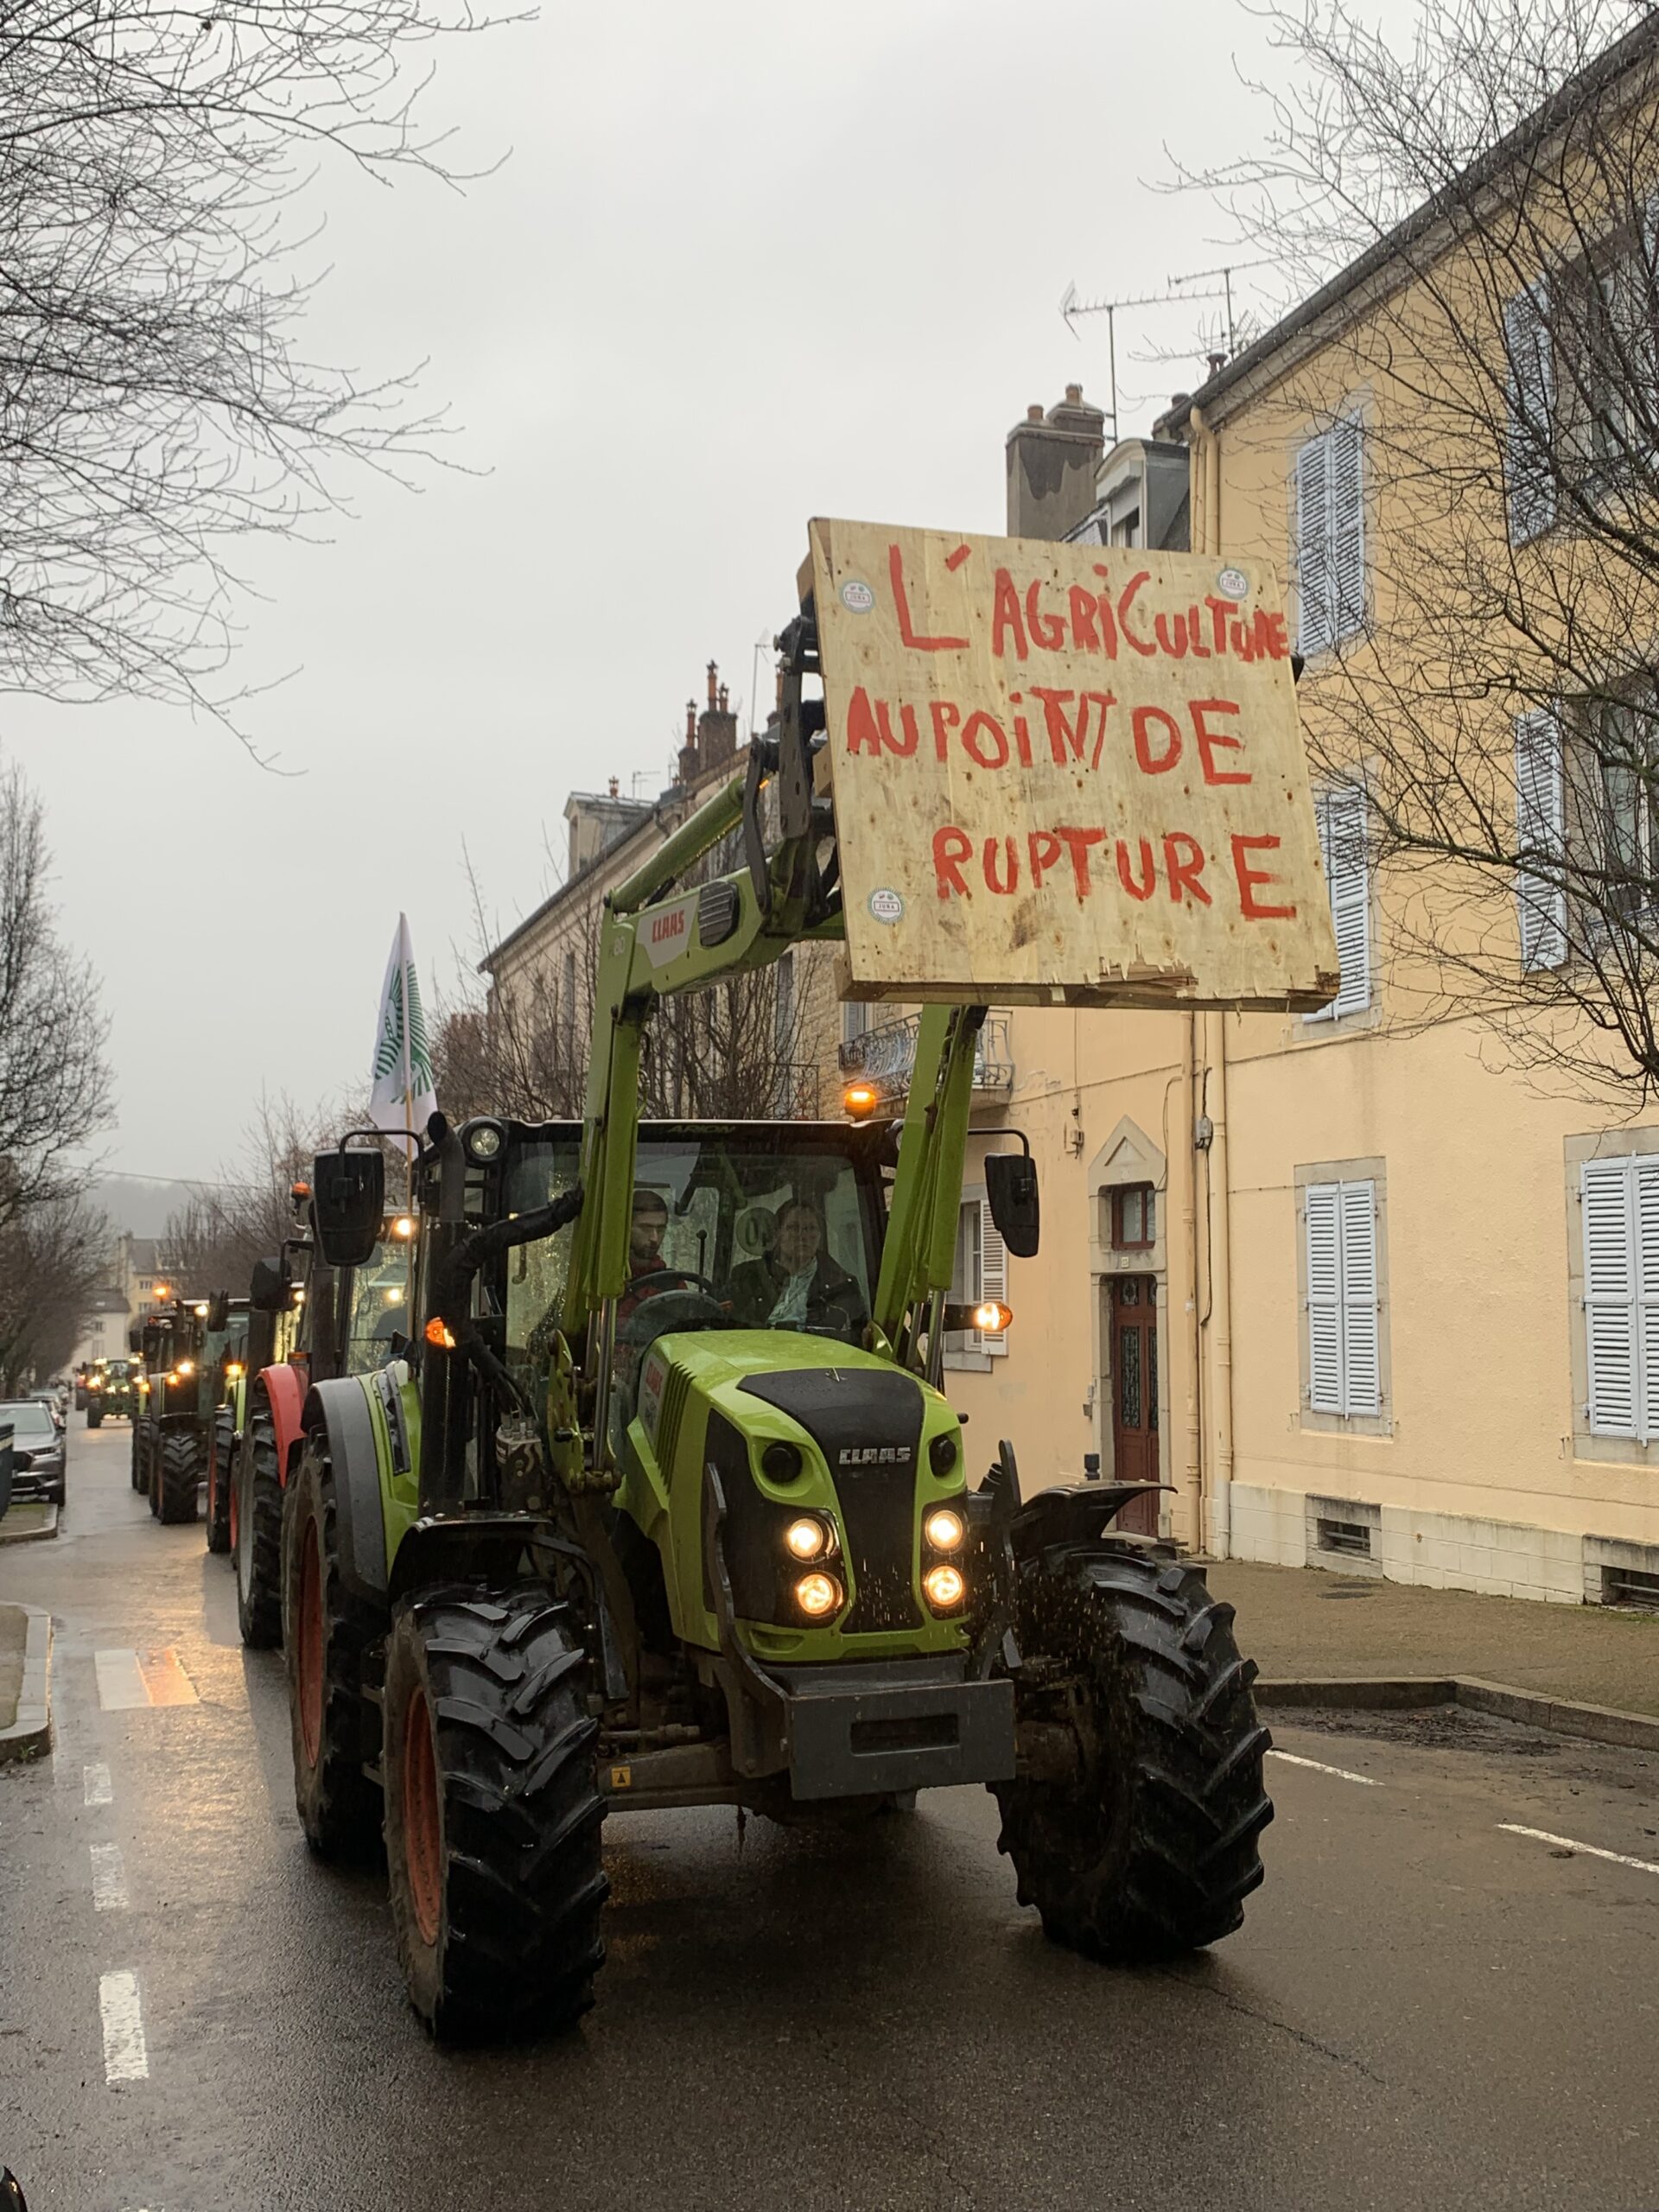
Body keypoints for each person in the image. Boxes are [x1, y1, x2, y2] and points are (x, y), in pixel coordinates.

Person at [728, 1199, 866, 1336]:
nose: (803, 1236)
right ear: (778, 1233)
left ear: (819, 1235)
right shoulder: (746, 1277)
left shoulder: (841, 1287)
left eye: (811, 1228)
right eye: (793, 1228)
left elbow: (854, 1337)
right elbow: (724, 1323)